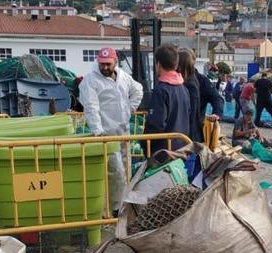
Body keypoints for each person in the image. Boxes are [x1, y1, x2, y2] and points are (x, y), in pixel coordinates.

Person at [79, 46, 143, 213]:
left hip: (123, 132)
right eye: (102, 64)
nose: (105, 67)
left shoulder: (123, 77)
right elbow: (91, 107)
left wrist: (130, 108)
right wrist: (98, 131)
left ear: (115, 62)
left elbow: (138, 90)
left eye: (108, 64)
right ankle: (116, 208)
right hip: (107, 134)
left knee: (127, 168)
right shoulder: (91, 81)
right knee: (116, 172)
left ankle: (125, 203)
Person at [143, 44, 191, 156]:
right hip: (181, 146)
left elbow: (156, 124)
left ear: (158, 64)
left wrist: (144, 143)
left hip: (163, 150)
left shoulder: (161, 89)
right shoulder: (183, 88)